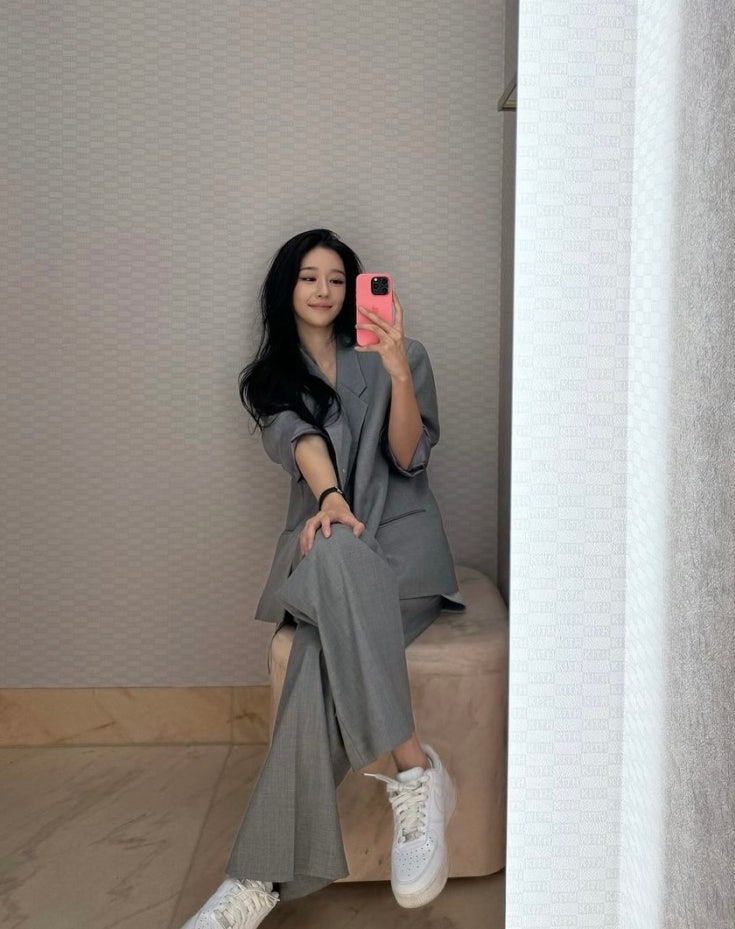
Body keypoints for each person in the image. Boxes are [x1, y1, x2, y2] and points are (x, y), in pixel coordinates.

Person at [182, 229, 464, 929]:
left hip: (402, 554)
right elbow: (301, 440)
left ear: (353, 289)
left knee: (315, 659)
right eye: (309, 277)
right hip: (328, 538)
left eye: (337, 279)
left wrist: (398, 373)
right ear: (286, 288)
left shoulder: (405, 355)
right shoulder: (270, 379)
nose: (323, 290)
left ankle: (256, 879)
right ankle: (414, 767)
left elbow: (408, 457)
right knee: (335, 543)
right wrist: (332, 497)